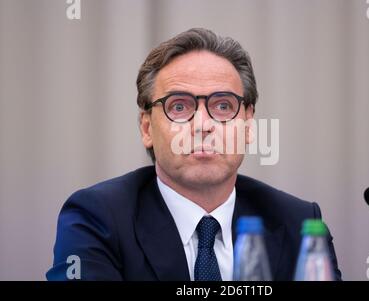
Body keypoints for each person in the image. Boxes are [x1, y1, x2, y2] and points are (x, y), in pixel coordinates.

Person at [46, 28, 341, 281]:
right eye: (179, 107)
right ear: (147, 127)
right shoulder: (97, 218)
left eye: (223, 106)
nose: (203, 125)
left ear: (248, 124)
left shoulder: (298, 222)